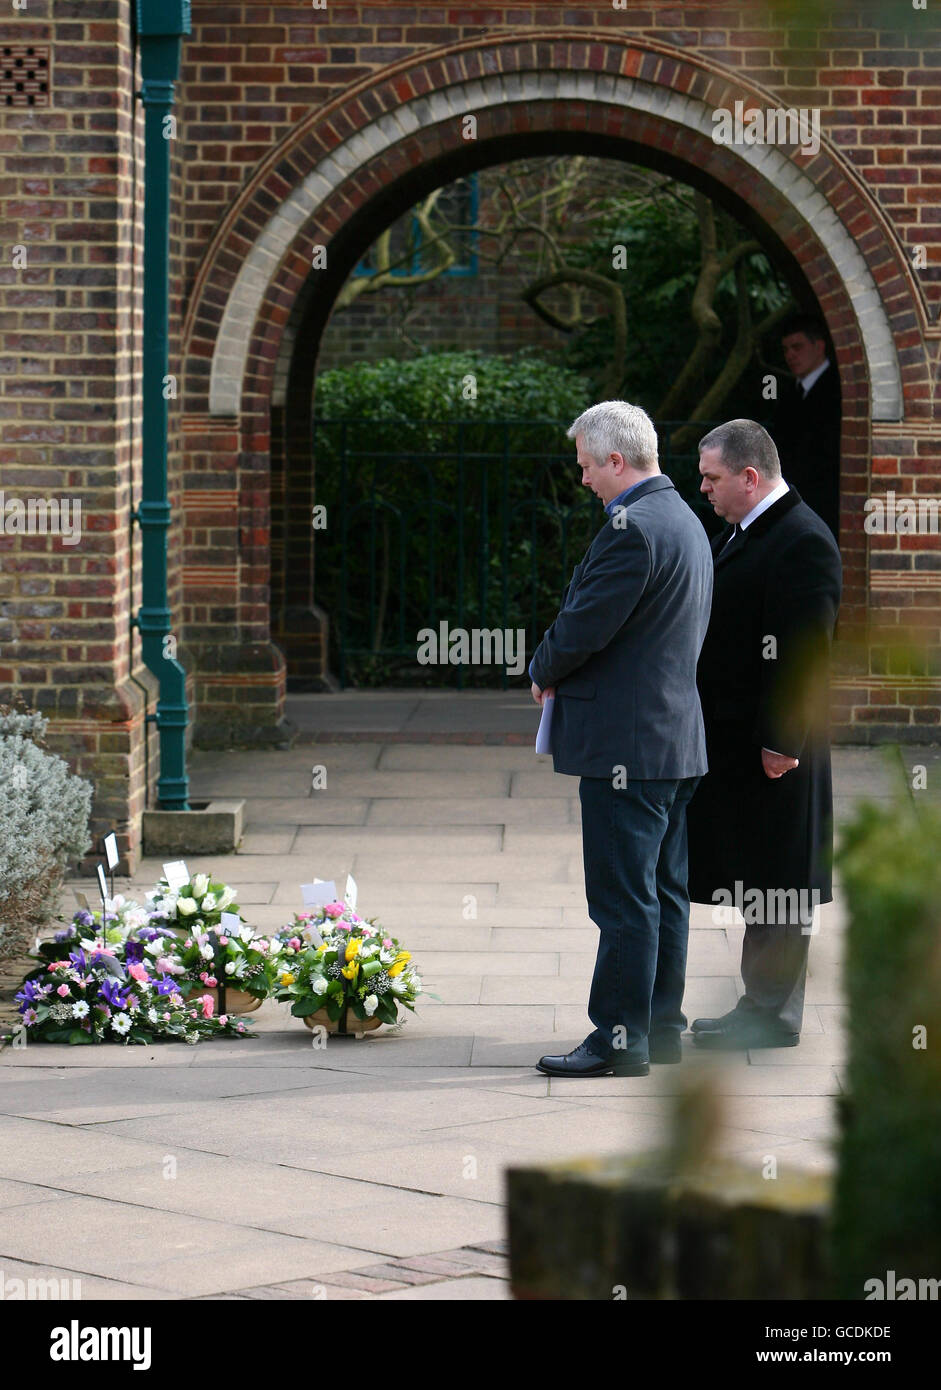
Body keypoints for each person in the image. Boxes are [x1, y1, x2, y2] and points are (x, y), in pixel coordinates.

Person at [529, 401, 713, 1077]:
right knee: (662, 892)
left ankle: (617, 1038)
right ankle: (658, 1026)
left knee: (622, 898)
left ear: (615, 459)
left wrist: (540, 667)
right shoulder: (684, 520)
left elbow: (583, 625)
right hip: (672, 741)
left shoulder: (631, 528)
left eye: (586, 466)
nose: (582, 481)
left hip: (626, 750)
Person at [687, 419, 842, 1050]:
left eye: (712, 478)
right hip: (747, 738)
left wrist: (782, 740)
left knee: (781, 880)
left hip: (779, 746)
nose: (704, 489)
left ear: (750, 478)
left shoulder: (801, 539)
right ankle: (760, 1002)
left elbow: (804, 653)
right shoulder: (750, 530)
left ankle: (773, 1013)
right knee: (763, 876)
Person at [766, 314, 841, 541]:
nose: (790, 355)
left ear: (818, 346)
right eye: (786, 349)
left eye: (797, 347)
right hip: (792, 497)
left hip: (827, 499)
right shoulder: (790, 392)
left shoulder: (839, 389)